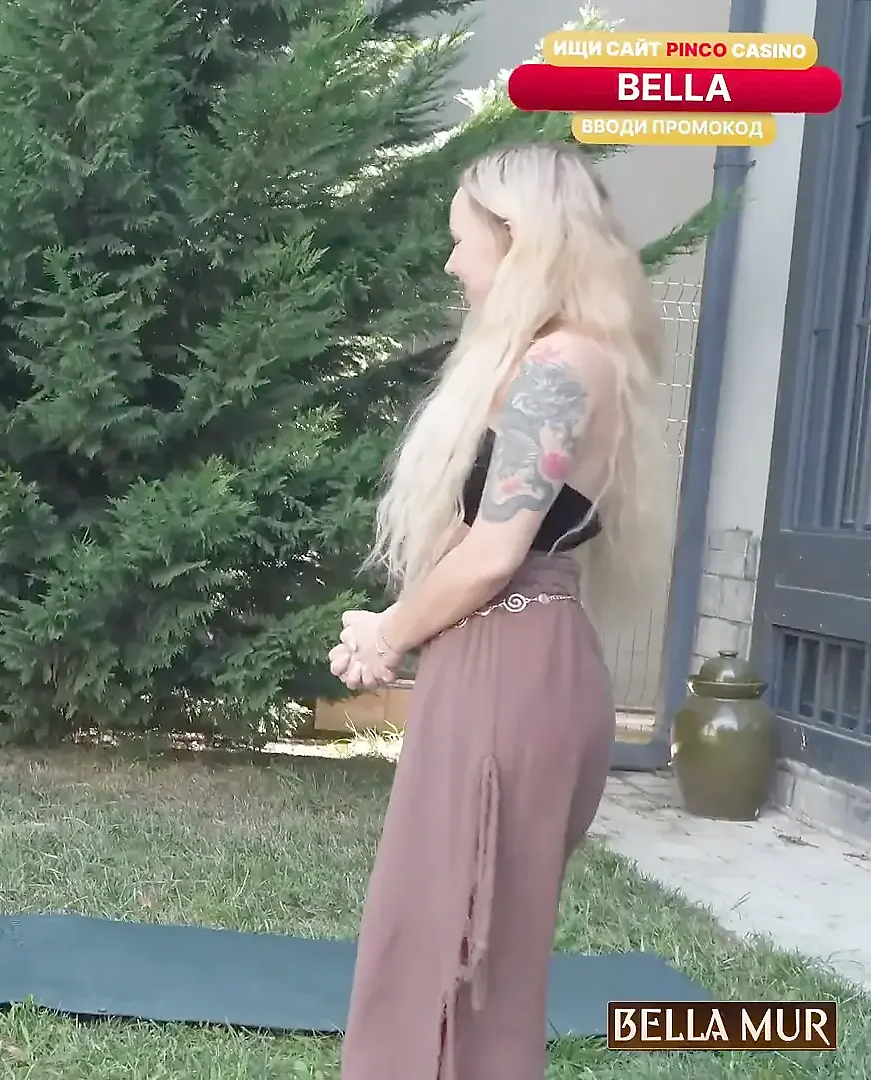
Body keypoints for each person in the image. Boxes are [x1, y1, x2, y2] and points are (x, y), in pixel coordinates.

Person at [327, 141, 663, 1079]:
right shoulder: (565, 359)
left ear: (518, 241)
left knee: (465, 957)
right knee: (436, 936)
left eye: (461, 240)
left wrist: (391, 633)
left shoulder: (561, 364)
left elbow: (493, 552)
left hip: (511, 674)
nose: (450, 263)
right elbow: (475, 545)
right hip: (500, 664)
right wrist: (392, 631)